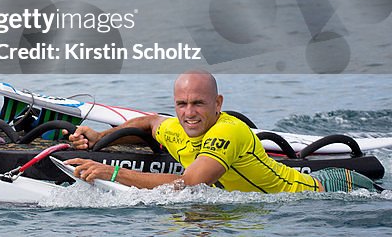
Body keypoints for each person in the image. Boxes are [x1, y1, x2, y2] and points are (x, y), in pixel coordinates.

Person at [65, 70, 378, 192]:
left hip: (330, 188)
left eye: (199, 103)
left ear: (218, 103)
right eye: (182, 104)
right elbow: (150, 122)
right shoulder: (176, 126)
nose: (189, 113)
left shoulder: (228, 132)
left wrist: (111, 172)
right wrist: (101, 138)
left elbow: (187, 183)